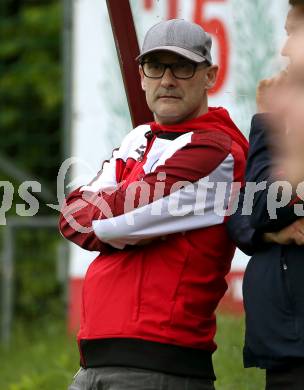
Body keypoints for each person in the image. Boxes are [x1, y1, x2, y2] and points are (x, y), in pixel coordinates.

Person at [59, 19, 248, 390]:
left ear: (209, 76)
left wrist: (106, 209)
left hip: (159, 365)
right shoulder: (141, 135)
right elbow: (71, 215)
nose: (167, 79)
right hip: (96, 359)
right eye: (155, 66)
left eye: (182, 66)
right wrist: (108, 213)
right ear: (141, 76)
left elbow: (111, 222)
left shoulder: (215, 148)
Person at [227, 1, 304, 389]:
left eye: (294, 31)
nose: (284, 49)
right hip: (285, 348)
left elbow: (259, 206)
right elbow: (239, 221)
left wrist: (266, 123)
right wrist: (271, 232)